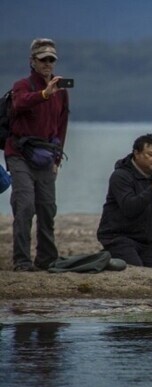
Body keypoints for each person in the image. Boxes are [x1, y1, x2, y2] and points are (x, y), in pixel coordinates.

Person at [4, 38, 70, 272]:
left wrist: (57, 160)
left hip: (46, 156)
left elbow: (62, 127)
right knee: (25, 205)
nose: (47, 63)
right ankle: (22, 260)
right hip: (20, 153)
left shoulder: (61, 93)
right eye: (43, 59)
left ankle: (46, 258)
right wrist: (43, 93)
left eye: (51, 59)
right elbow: (19, 104)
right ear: (32, 61)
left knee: (47, 207)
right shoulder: (22, 86)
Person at [97, 134, 152, 267]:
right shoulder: (120, 176)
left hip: (147, 240)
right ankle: (109, 257)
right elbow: (129, 208)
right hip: (119, 237)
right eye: (150, 154)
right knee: (135, 267)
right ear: (136, 153)